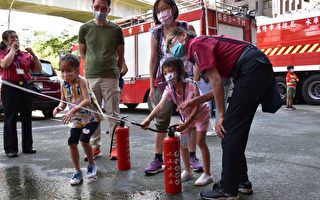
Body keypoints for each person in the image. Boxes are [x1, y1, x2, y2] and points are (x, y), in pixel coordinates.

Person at [167, 27, 281, 199]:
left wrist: (220, 117)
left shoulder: (196, 44)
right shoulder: (202, 47)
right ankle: (241, 181)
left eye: (171, 42)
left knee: (228, 130)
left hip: (251, 69)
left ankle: (227, 188)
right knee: (236, 131)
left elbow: (217, 82)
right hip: (256, 67)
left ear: (183, 35)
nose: (170, 47)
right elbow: (218, 89)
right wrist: (195, 101)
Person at [146, 0, 203, 175]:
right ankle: (157, 159)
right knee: (161, 118)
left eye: (165, 8)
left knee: (190, 120)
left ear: (173, 9)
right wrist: (152, 85)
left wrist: (195, 79)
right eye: (158, 10)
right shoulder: (156, 32)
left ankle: (192, 156)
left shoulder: (187, 27)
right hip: (165, 82)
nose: (162, 12)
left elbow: (197, 54)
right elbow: (154, 60)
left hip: (186, 80)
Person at [142, 57, 213, 186]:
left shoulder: (192, 85)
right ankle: (188, 171)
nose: (168, 75)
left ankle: (208, 174)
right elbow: (160, 106)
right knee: (183, 144)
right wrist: (148, 119)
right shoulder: (169, 89)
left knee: (200, 142)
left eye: (171, 71)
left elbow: (197, 107)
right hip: (186, 118)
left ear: (180, 71)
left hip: (201, 115)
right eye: (165, 73)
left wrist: (185, 124)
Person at [78, 0, 125, 160]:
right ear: (92, 8)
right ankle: (95, 147)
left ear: (109, 9)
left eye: (103, 8)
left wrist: (117, 72)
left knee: (113, 113)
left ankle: (115, 148)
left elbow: (120, 55)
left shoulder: (116, 29)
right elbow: (83, 53)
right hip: (91, 76)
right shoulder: (84, 28)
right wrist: (93, 64)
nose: (100, 10)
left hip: (111, 76)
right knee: (93, 113)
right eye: (96, 7)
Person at [53, 54, 102, 186]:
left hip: (91, 117)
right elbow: (63, 103)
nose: (65, 74)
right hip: (76, 119)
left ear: (77, 71)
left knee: (84, 139)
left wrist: (72, 110)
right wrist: (58, 108)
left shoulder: (82, 81)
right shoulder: (63, 85)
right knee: (71, 142)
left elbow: (87, 100)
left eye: (68, 71)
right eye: (62, 71)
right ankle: (77, 171)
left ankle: (91, 164)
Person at [0, 30, 42, 158]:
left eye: (17, 37)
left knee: (26, 118)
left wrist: (33, 54)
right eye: (12, 38)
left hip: (25, 87)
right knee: (11, 118)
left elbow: (38, 69)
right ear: (6, 41)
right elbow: (5, 64)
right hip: (10, 87)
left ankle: (27, 146)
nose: (16, 39)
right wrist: (12, 50)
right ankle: (11, 149)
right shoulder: (3, 54)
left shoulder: (24, 55)